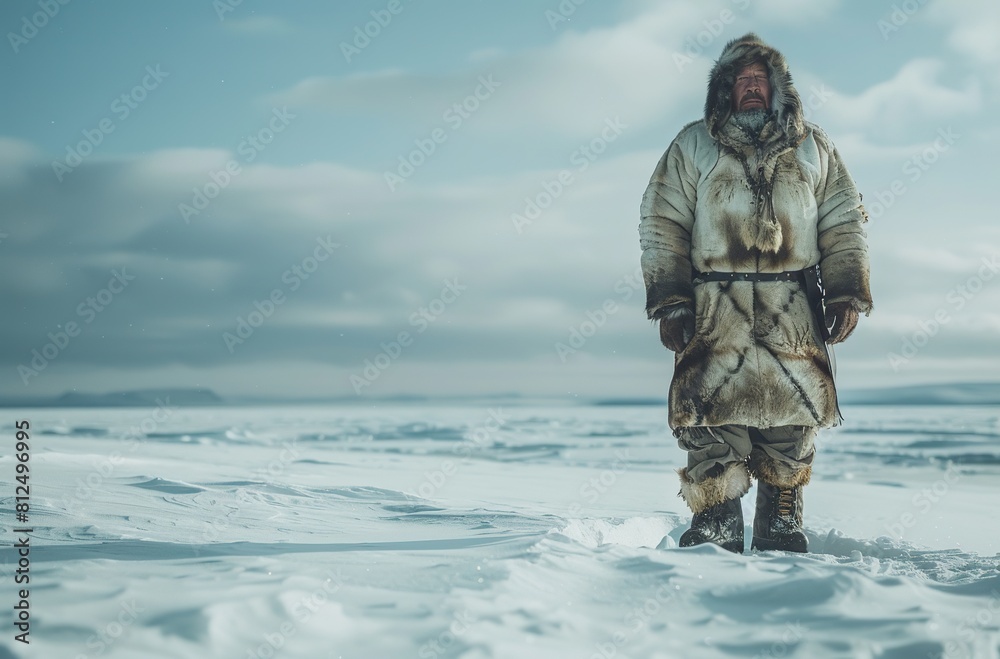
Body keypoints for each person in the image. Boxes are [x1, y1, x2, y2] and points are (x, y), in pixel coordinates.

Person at [638, 33, 873, 553]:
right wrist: (671, 300)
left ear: (778, 89)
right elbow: (662, 221)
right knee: (708, 413)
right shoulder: (692, 145)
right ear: (724, 89)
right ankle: (718, 519)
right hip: (714, 307)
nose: (750, 88)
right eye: (740, 80)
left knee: (791, 419)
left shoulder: (815, 147)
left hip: (794, 307)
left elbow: (843, 222)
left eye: (759, 80)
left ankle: (779, 521)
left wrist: (845, 292)